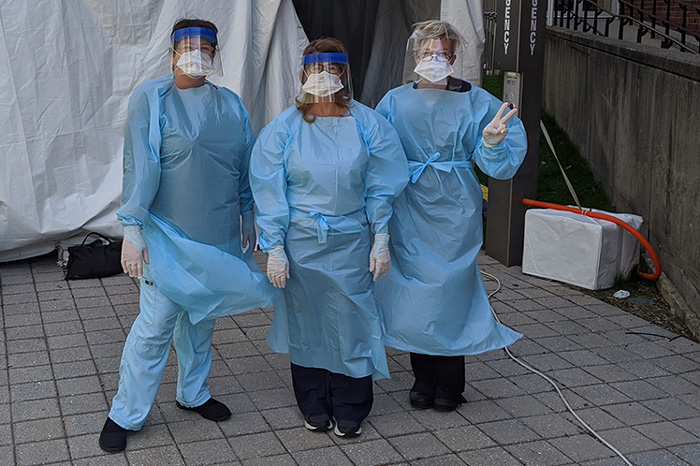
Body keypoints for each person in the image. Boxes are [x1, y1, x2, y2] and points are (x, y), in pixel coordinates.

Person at [99, 19, 277, 452]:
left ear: (216, 54)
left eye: (205, 46)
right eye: (187, 45)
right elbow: (139, 165)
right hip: (167, 236)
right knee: (156, 325)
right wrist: (132, 227)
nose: (197, 53)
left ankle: (193, 394)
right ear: (173, 51)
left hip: (216, 235)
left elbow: (242, 163)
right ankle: (125, 412)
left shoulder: (231, 105)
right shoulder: (153, 99)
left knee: (201, 320)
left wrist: (248, 211)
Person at [249, 38, 408, 438]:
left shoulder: (367, 123)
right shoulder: (284, 128)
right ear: (303, 74)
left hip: (350, 238)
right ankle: (314, 402)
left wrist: (382, 235)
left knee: (352, 319)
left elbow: (382, 182)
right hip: (302, 243)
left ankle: (352, 403)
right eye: (316, 68)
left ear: (344, 73)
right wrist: (275, 247)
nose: (324, 76)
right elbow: (269, 189)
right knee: (307, 322)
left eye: (332, 68)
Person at [374, 20, 528, 412]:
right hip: (408, 203)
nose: (434, 59)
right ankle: (423, 381)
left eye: (442, 53)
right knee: (414, 293)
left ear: (455, 58)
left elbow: (494, 160)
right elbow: (376, 153)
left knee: (450, 291)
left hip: (454, 206)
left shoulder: (477, 102)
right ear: (414, 57)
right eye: (427, 53)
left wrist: (492, 143)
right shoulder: (393, 101)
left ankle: (451, 386)